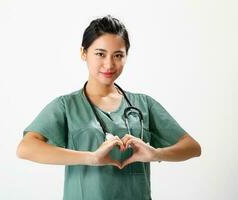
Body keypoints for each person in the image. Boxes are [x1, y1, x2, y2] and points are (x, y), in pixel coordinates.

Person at [16, 14, 201, 200]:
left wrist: (155, 153)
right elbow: (26, 148)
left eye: (118, 55)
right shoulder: (66, 106)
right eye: (100, 54)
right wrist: (91, 157)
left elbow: (192, 147)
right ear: (83, 53)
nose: (109, 64)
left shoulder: (143, 104)